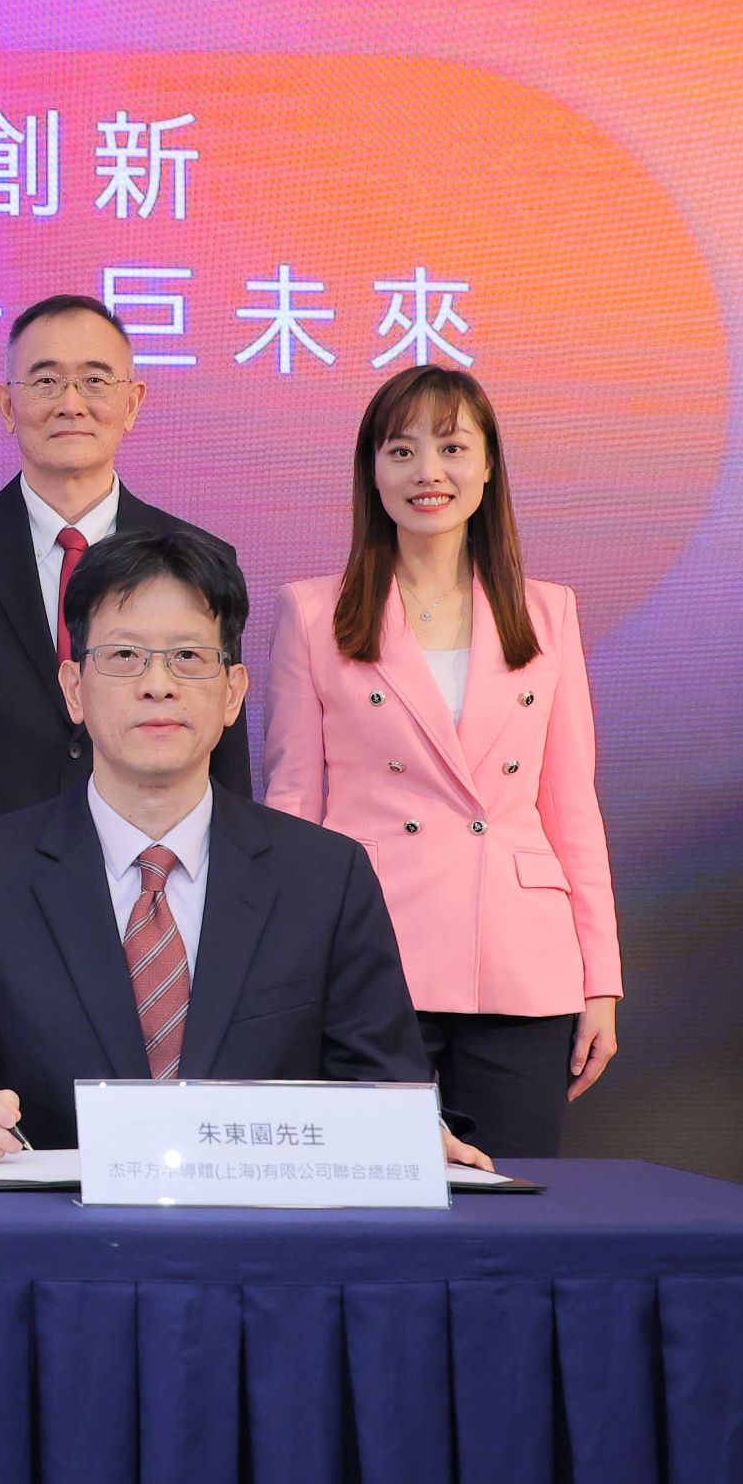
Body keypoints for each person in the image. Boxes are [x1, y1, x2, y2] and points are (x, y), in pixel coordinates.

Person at [0, 527, 491, 1171]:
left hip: (258, 1225)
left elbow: (384, 1083)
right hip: (50, 1225)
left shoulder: (326, 878)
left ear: (233, 692)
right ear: (74, 689)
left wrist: (411, 1130)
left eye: (188, 656)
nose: (157, 684)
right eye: (124, 656)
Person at [261, 367, 620, 1158]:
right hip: (368, 951)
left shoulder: (548, 612)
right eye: (402, 451)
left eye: (453, 448)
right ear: (371, 472)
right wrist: (284, 969)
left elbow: (571, 807)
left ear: (488, 467)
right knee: (369, 1193)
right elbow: (293, 805)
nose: (429, 471)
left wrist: (600, 979)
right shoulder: (314, 613)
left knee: (511, 1202)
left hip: (522, 962)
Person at [0, 293, 250, 1023]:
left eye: (95, 380)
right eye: (45, 380)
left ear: (133, 403)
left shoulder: (201, 560)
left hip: (150, 907)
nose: (71, 402)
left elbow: (225, 763)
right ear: (6, 404)